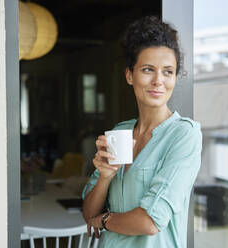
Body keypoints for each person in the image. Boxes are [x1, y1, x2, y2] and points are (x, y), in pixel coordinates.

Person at [81, 16, 202, 248]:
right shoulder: (120, 132)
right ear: (130, 75)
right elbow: (88, 213)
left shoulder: (184, 135)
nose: (158, 80)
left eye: (168, 72)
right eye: (148, 69)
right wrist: (105, 178)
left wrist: (104, 220)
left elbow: (150, 221)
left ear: (175, 78)